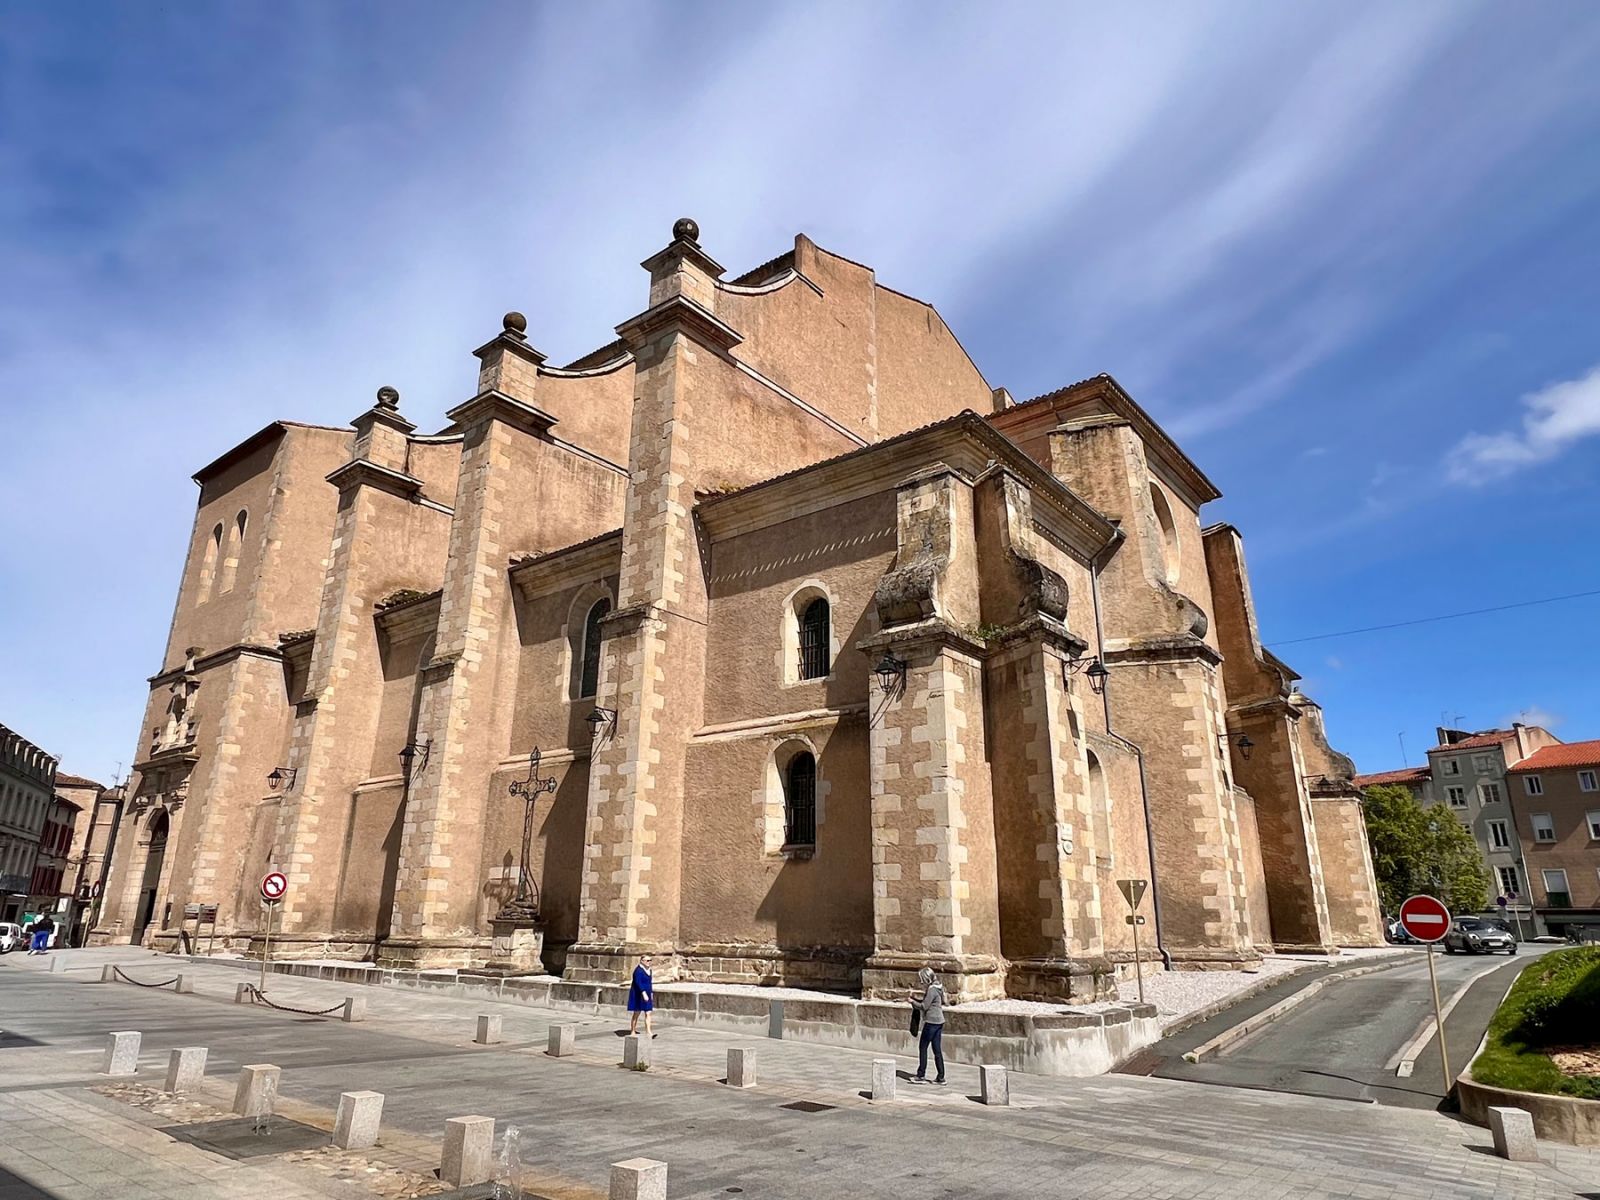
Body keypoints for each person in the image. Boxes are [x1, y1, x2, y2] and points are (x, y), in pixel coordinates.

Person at [910, 966, 946, 1084]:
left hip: (931, 1022)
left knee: (923, 1047)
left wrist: (912, 1002)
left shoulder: (931, 989)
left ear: (926, 978)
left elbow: (924, 1006)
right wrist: (916, 999)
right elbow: (929, 1003)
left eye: (922, 979)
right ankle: (941, 1077)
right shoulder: (938, 987)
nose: (921, 982)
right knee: (937, 1050)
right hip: (939, 1021)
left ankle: (921, 1075)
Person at [628, 953, 655, 1038]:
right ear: (642, 961)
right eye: (647, 960)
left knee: (648, 1012)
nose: (649, 962)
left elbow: (649, 982)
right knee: (637, 1013)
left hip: (647, 993)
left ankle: (649, 1032)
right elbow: (638, 982)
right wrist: (643, 993)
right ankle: (632, 1030)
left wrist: (650, 993)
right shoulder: (638, 970)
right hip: (638, 994)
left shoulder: (649, 970)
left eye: (650, 960)